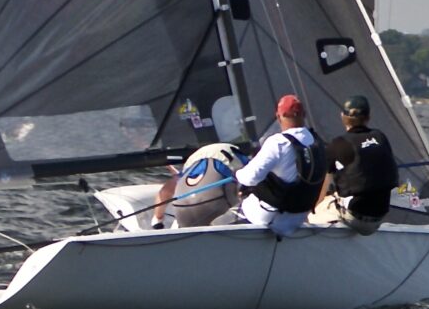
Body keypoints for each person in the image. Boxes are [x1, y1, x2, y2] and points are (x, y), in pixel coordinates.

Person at [235, 94, 326, 236]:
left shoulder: (278, 143)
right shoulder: (317, 141)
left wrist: (237, 173)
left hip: (269, 217)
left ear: (278, 117)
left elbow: (250, 178)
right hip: (298, 217)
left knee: (222, 219)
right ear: (304, 114)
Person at [321, 92, 397, 235]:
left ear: (343, 117)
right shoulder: (380, 137)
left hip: (355, 218)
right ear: (368, 117)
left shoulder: (338, 144)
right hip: (379, 217)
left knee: (318, 208)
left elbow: (324, 185)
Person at [150, 140, 244, 228]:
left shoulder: (187, 173)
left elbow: (165, 192)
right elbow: (166, 191)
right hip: (224, 155)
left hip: (187, 209)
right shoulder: (187, 173)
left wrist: (158, 219)